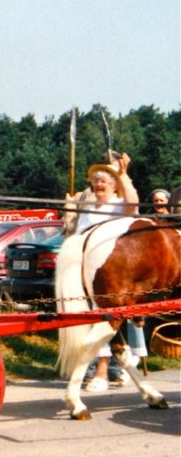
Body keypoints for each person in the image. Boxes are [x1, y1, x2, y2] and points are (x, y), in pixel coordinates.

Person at [70, 154, 139, 392]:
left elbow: (134, 204)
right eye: (96, 182)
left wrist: (122, 173)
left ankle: (103, 372)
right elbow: (79, 238)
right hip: (87, 271)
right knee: (93, 321)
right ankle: (118, 369)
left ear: (114, 186)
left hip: (112, 274)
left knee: (105, 320)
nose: (99, 185)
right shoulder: (87, 208)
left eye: (104, 182)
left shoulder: (119, 205)